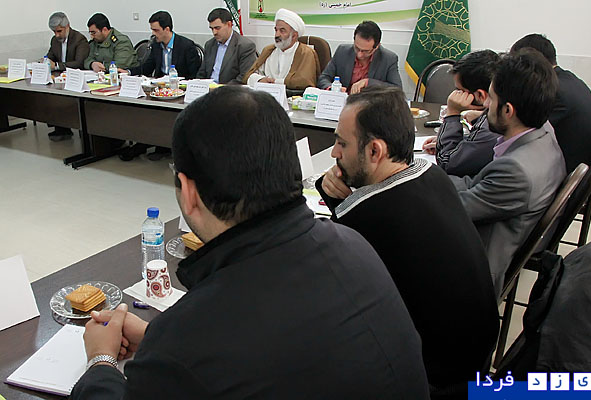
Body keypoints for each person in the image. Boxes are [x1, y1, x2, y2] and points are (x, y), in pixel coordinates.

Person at [70, 86, 430, 399]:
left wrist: (101, 361)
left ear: (189, 192)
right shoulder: (354, 244)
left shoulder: (188, 340)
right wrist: (155, 339)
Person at [316, 87, 498, 397]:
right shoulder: (430, 174)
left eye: (342, 143)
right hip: (479, 357)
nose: (334, 153)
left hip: (434, 379)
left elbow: (332, 276)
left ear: (375, 151)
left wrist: (332, 196)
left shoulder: (374, 215)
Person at [449, 49, 566, 295]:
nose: (485, 106)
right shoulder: (543, 131)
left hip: (474, 273)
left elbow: (452, 209)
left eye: (490, 99)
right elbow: (475, 184)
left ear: (508, 111)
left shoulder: (516, 171)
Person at [511, 33, 591, 173]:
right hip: (578, 167)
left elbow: (523, 132)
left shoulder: (553, 91)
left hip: (563, 174)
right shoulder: (571, 80)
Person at [122, 11, 200, 162]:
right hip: (159, 90)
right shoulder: (156, 46)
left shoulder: (186, 46)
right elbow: (147, 67)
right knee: (142, 108)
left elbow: (194, 75)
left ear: (167, 29)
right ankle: (146, 142)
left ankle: (163, 146)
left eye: (156, 30)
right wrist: (128, 72)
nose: (153, 34)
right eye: (152, 30)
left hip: (180, 92)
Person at [422, 50, 501, 177]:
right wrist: (455, 143)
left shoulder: (490, 126)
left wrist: (452, 112)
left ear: (481, 95)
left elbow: (446, 163)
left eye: (459, 90)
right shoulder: (497, 114)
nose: (455, 95)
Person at [243, 9, 319, 90]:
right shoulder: (268, 50)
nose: (277, 35)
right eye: (276, 30)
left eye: (282, 31)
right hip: (265, 93)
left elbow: (304, 81)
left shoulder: (305, 53)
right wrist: (260, 79)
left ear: (294, 36)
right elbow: (249, 75)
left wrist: (275, 82)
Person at [318, 21, 402, 94]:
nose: (359, 54)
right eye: (357, 48)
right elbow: (324, 78)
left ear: (377, 46)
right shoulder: (342, 51)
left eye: (365, 51)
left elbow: (397, 89)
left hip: (370, 103)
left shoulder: (389, 59)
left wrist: (368, 82)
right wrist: (332, 88)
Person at [45, 12, 90, 142]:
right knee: (51, 95)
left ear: (67, 26)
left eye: (59, 31)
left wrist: (56, 65)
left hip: (77, 78)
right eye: (54, 32)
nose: (56, 35)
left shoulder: (79, 39)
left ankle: (77, 128)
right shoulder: (54, 41)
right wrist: (44, 61)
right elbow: (50, 56)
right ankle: (61, 128)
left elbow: (79, 63)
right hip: (60, 78)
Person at [196, 8, 257, 83]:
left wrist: (222, 88)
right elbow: (201, 74)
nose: (214, 32)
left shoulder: (245, 46)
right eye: (212, 29)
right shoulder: (209, 44)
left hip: (230, 88)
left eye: (217, 28)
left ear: (229, 24)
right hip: (209, 87)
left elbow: (244, 77)